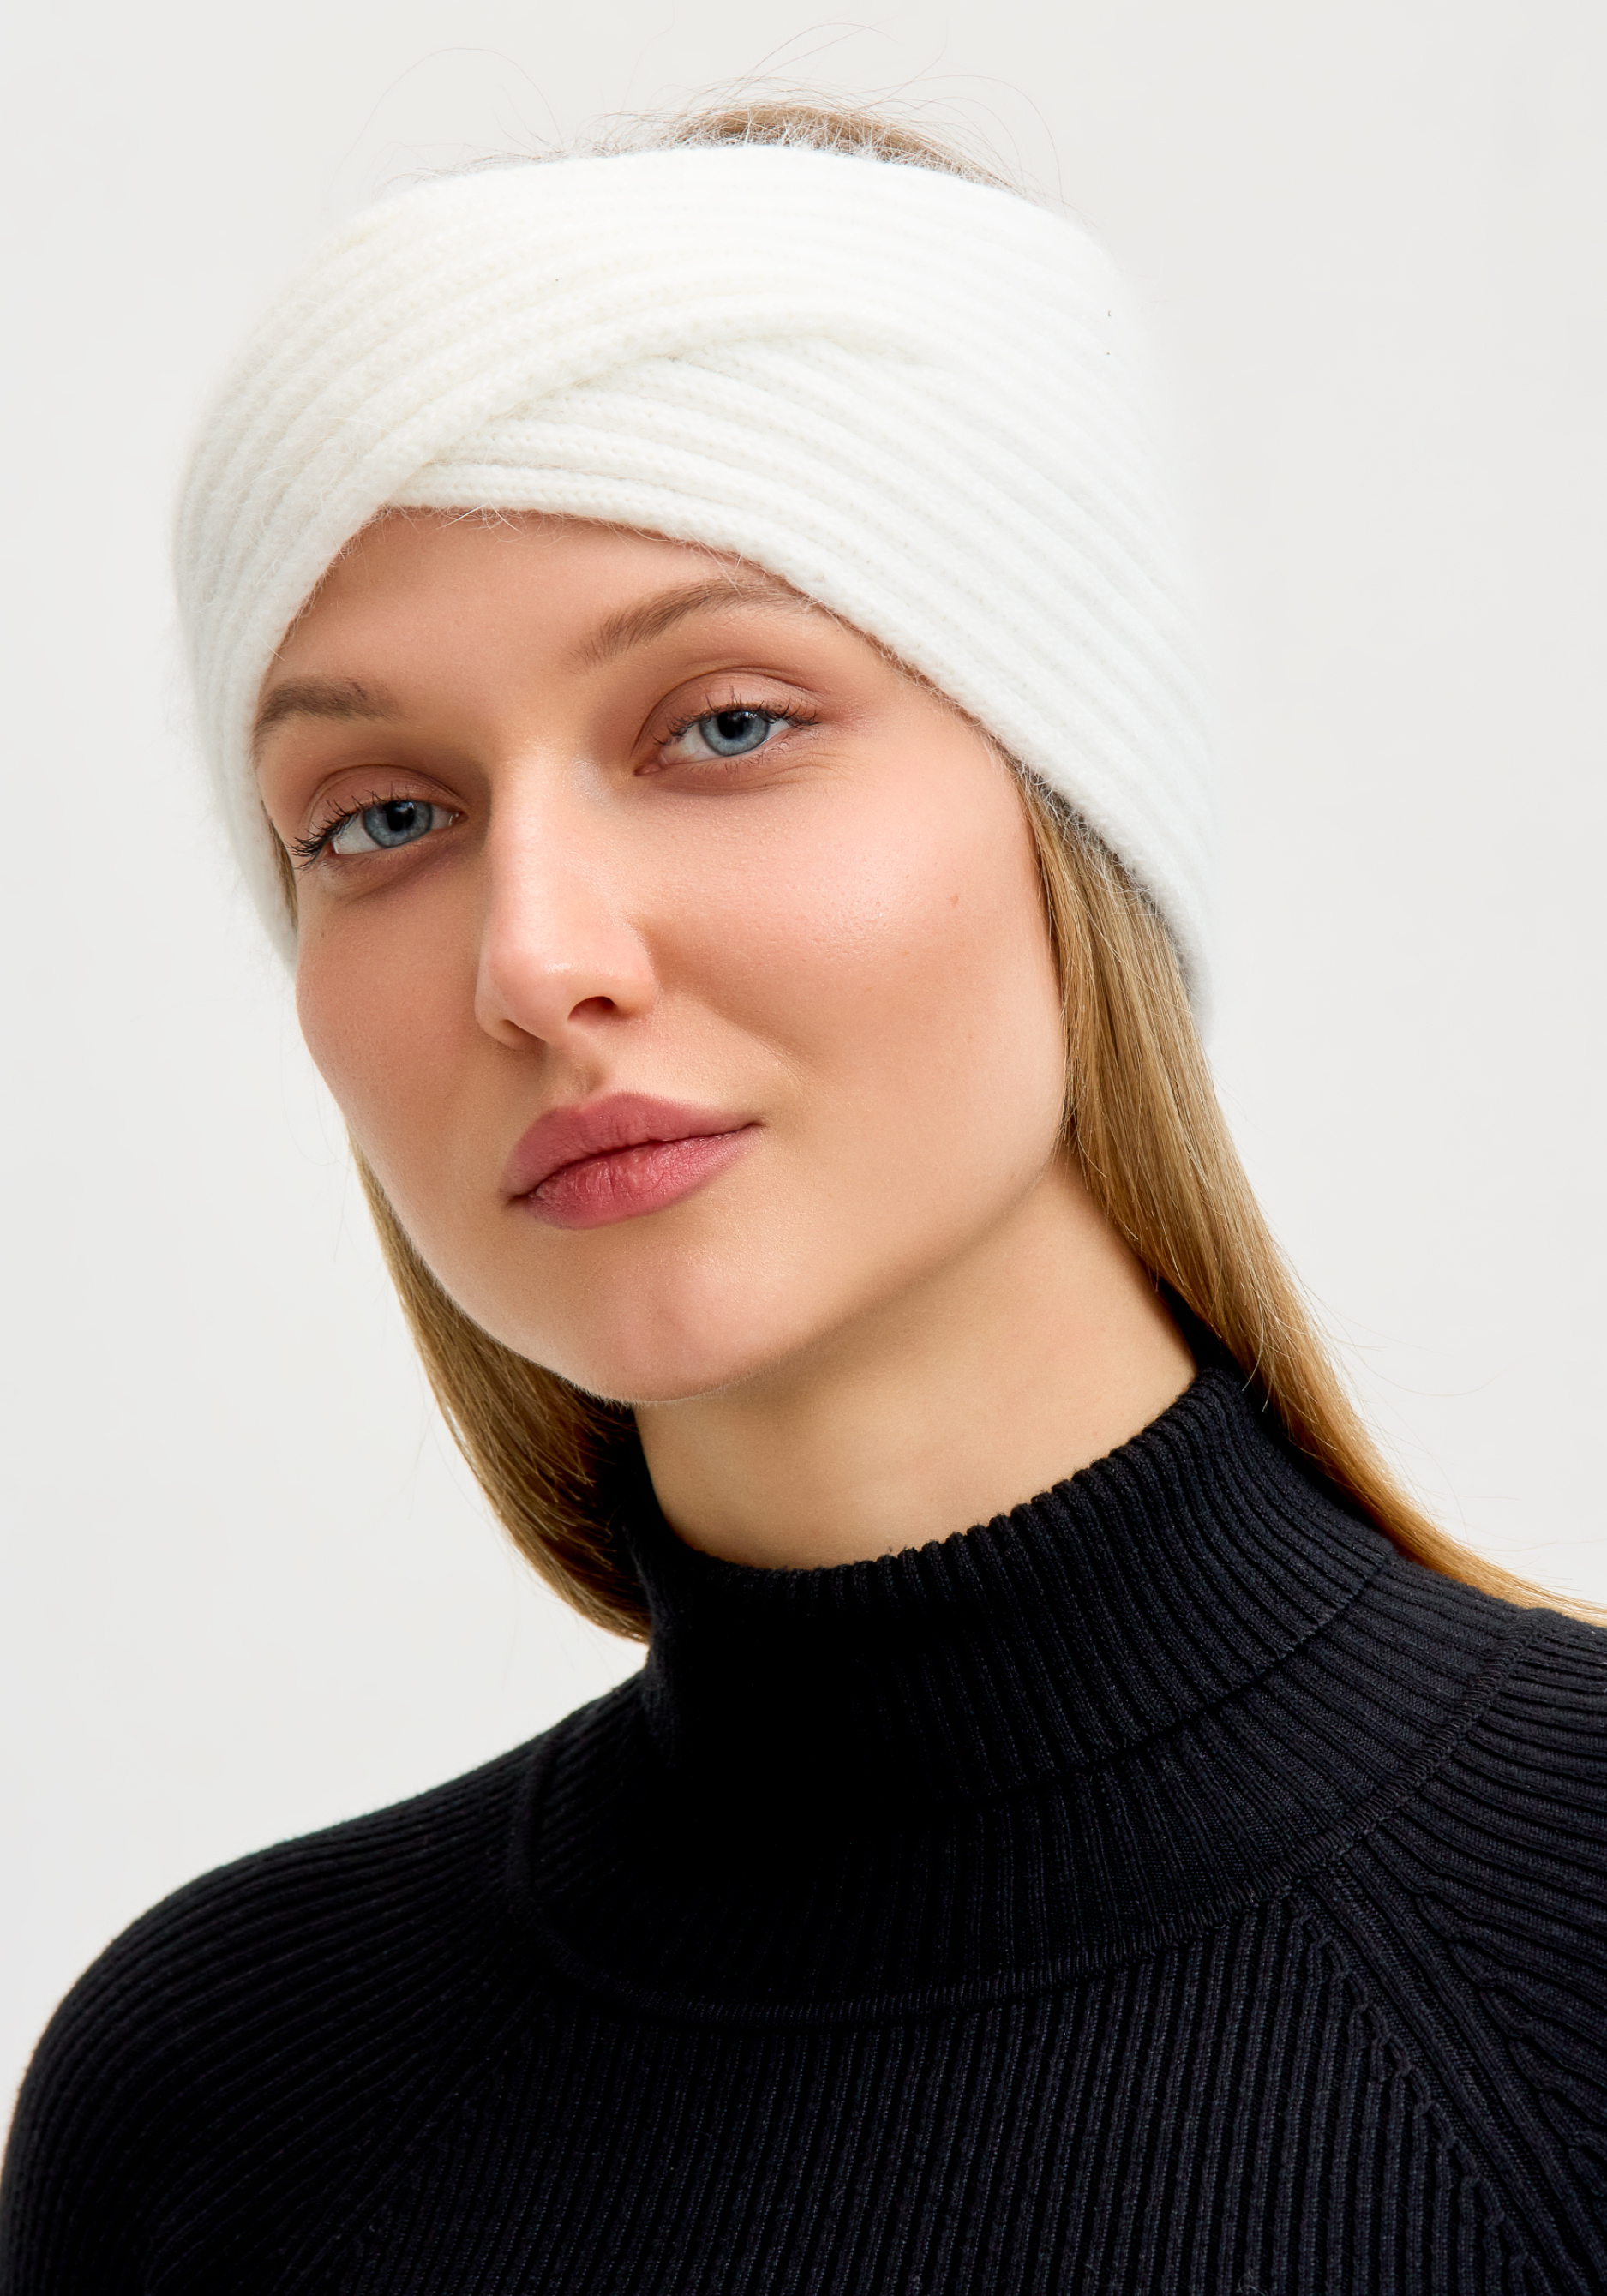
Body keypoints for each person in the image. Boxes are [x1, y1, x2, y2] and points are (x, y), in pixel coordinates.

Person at [2, 100, 1603, 2296]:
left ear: (1075, 801)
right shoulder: (222, 2099)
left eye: (726, 724)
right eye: (378, 817)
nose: (534, 957)